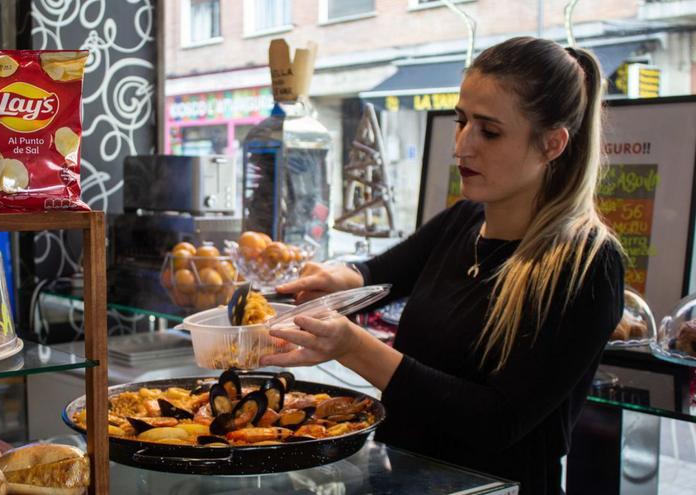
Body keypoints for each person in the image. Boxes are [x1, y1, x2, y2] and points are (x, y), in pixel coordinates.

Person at [261, 36, 625, 495]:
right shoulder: (464, 220)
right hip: (405, 479)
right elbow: (377, 274)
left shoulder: (586, 264)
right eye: (461, 122)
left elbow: (498, 422)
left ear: (552, 143)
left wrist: (354, 347)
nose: (462, 147)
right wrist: (337, 279)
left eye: (489, 131)